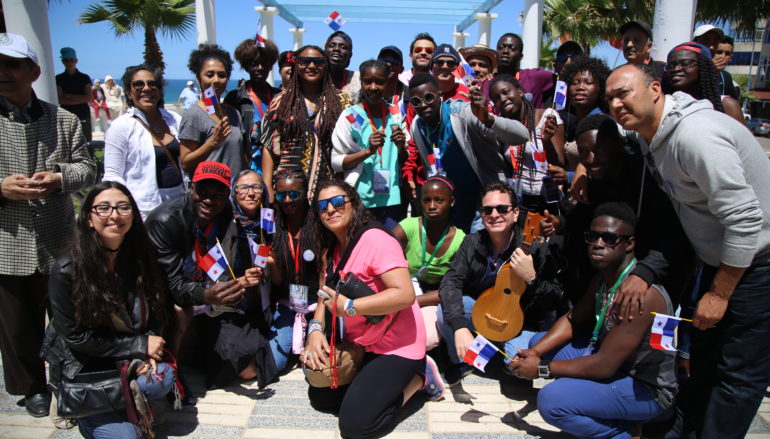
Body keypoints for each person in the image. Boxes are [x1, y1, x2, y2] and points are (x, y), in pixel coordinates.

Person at [606, 62, 770, 439]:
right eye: (610, 97)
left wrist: (719, 292)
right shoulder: (653, 134)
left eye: (624, 93)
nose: (616, 104)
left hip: (756, 268)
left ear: (655, 90)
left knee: (737, 379)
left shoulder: (696, 136)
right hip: (721, 263)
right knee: (706, 367)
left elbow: (746, 219)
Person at [512, 202, 677, 439]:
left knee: (551, 400)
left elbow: (604, 365)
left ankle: (626, 433)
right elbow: (573, 319)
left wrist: (540, 369)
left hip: (644, 388)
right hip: (612, 365)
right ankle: (603, 409)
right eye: (593, 237)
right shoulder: (603, 277)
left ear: (629, 244)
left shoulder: (643, 296)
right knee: (534, 343)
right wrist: (536, 353)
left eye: (610, 238)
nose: (598, 244)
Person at [0, 33, 96, 418]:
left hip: (58, 237)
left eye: (12, 65)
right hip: (8, 241)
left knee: (68, 315)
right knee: (17, 323)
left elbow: (88, 167)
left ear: (34, 71)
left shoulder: (64, 119)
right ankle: (30, 386)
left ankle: (71, 376)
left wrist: (58, 178)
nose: (4, 73)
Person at [302, 179, 443, 438]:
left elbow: (404, 294)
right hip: (361, 343)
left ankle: (421, 377)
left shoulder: (376, 239)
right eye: (322, 206)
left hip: (397, 345)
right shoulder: (330, 249)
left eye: (337, 202)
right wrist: (314, 331)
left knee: (356, 427)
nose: (330, 210)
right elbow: (324, 295)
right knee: (322, 398)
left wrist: (352, 307)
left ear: (353, 204)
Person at [43, 182, 177, 438]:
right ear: (89, 219)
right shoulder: (67, 271)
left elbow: (159, 310)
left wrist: (148, 347)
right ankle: (82, 412)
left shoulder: (143, 259)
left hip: (128, 359)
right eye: (103, 208)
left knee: (161, 377)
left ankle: (126, 402)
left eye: (123, 207)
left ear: (133, 216)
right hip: (87, 366)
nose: (114, 214)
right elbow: (76, 337)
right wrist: (138, 345)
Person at [145, 161, 276, 389]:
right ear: (191, 188)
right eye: (203, 191)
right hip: (165, 295)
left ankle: (198, 356)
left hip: (213, 300)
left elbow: (226, 266)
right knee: (182, 312)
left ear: (227, 194)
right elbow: (173, 285)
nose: (209, 199)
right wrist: (206, 294)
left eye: (218, 194)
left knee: (252, 364)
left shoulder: (225, 213)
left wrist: (241, 280)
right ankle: (173, 376)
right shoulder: (166, 221)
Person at [438, 181, 565, 386]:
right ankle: (462, 361)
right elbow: (450, 282)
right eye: (487, 210)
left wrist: (532, 278)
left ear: (515, 214)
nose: (494, 215)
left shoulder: (535, 248)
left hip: (522, 324)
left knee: (515, 368)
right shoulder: (472, 242)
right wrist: (460, 328)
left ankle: (488, 352)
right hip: (485, 311)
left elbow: (554, 299)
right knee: (444, 311)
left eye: (502, 209)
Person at [562, 114, 693, 311]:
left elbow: (674, 234)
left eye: (598, 151)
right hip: (611, 276)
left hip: (652, 275)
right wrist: (559, 223)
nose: (590, 159)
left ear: (617, 144)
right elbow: (582, 219)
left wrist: (644, 273)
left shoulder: (649, 176)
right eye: (583, 152)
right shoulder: (595, 178)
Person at [402, 73, 530, 231]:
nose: (423, 105)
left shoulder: (464, 112)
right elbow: (431, 168)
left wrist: (487, 119)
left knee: (479, 247)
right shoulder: (417, 127)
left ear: (439, 95)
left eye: (428, 97)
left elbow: (523, 135)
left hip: (485, 198)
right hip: (456, 204)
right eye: (416, 101)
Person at [261, 45, 348, 202]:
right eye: (305, 61)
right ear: (296, 66)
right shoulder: (280, 102)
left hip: (328, 188)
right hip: (288, 189)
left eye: (318, 62)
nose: (312, 66)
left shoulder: (342, 101)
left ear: (326, 66)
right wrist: (267, 187)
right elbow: (268, 147)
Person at [392, 175, 466, 351]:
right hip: (408, 287)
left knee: (427, 338)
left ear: (452, 201)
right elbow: (383, 250)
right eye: (427, 200)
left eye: (439, 200)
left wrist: (413, 300)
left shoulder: (461, 239)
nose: (432, 206)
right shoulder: (409, 226)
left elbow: (455, 289)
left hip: (438, 296)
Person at [332, 59, 407, 230]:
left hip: (391, 201)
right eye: (368, 81)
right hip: (360, 201)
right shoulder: (350, 116)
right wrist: (368, 151)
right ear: (361, 82)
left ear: (388, 83)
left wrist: (401, 146)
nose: (373, 87)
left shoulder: (395, 115)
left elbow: (405, 159)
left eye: (379, 82)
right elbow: (336, 163)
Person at [103, 64, 185, 219]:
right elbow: (113, 175)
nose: (146, 88)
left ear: (160, 91)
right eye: (138, 84)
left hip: (181, 204)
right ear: (128, 91)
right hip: (145, 209)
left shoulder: (174, 120)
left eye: (152, 84)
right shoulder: (121, 127)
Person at [488, 74, 566, 216]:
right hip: (520, 200)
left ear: (520, 91)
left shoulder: (547, 116)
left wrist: (546, 141)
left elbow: (559, 163)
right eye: (497, 98)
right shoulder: (501, 127)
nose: (503, 99)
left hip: (548, 197)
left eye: (506, 92)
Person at [267, 169, 320, 372]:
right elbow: (277, 283)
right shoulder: (273, 227)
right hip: (288, 304)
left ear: (305, 193)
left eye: (294, 194)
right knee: (275, 364)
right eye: (281, 195)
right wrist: (272, 264)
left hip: (317, 304)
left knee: (314, 367)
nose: (288, 200)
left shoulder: (318, 225)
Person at [179, 44, 246, 176]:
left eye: (222, 75)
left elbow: (239, 155)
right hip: (211, 193)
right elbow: (185, 163)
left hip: (234, 192)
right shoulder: (194, 115)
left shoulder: (233, 113)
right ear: (198, 79)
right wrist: (213, 142)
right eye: (209, 75)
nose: (216, 80)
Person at [225, 37, 281, 173]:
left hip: (277, 169)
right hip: (247, 169)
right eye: (254, 64)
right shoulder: (235, 98)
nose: (260, 68)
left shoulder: (280, 96)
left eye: (264, 63)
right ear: (246, 66)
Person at [662, 41, 744, 123]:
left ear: (703, 67)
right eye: (671, 65)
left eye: (685, 63)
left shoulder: (727, 106)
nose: (677, 69)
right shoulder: (663, 105)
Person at [557, 56, 611, 169]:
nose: (580, 87)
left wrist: (568, 177)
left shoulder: (603, 123)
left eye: (588, 83)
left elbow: (605, 169)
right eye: (575, 82)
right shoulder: (574, 123)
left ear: (600, 88)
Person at [495, 33, 555, 109]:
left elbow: (562, 79)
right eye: (501, 47)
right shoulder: (486, 82)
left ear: (520, 57)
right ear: (496, 53)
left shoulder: (535, 77)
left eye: (512, 48)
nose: (505, 51)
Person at [56, 46, 93, 141]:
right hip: (66, 116)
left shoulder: (84, 77)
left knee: (87, 144)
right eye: (66, 60)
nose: (69, 63)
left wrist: (68, 96)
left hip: (83, 115)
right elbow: (60, 100)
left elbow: (89, 98)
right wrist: (81, 99)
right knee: (67, 144)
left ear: (76, 61)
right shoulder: (58, 78)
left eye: (71, 60)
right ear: (62, 61)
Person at [324, 31, 360, 98]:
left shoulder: (360, 80)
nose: (336, 49)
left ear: (350, 55)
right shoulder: (314, 79)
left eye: (343, 47)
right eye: (332, 45)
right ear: (324, 51)